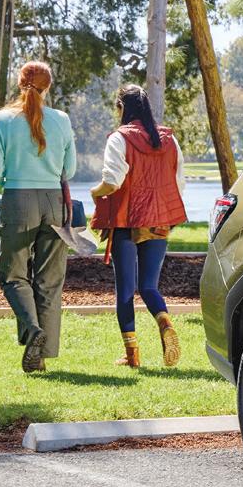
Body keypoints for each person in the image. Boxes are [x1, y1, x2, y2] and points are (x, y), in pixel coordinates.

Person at [0, 59, 78, 372]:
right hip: (54, 201)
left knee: (12, 275)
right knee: (49, 280)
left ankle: (33, 330)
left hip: (18, 199)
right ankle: (40, 356)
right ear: (47, 87)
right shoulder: (62, 119)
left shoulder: (2, 119)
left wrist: (4, 187)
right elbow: (70, 169)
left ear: (19, 83)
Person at [90, 85, 188, 368]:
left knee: (125, 289)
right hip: (159, 219)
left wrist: (95, 193)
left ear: (121, 107)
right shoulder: (169, 139)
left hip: (126, 220)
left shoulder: (119, 138)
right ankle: (165, 321)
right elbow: (179, 183)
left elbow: (112, 182)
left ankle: (132, 355)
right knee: (148, 286)